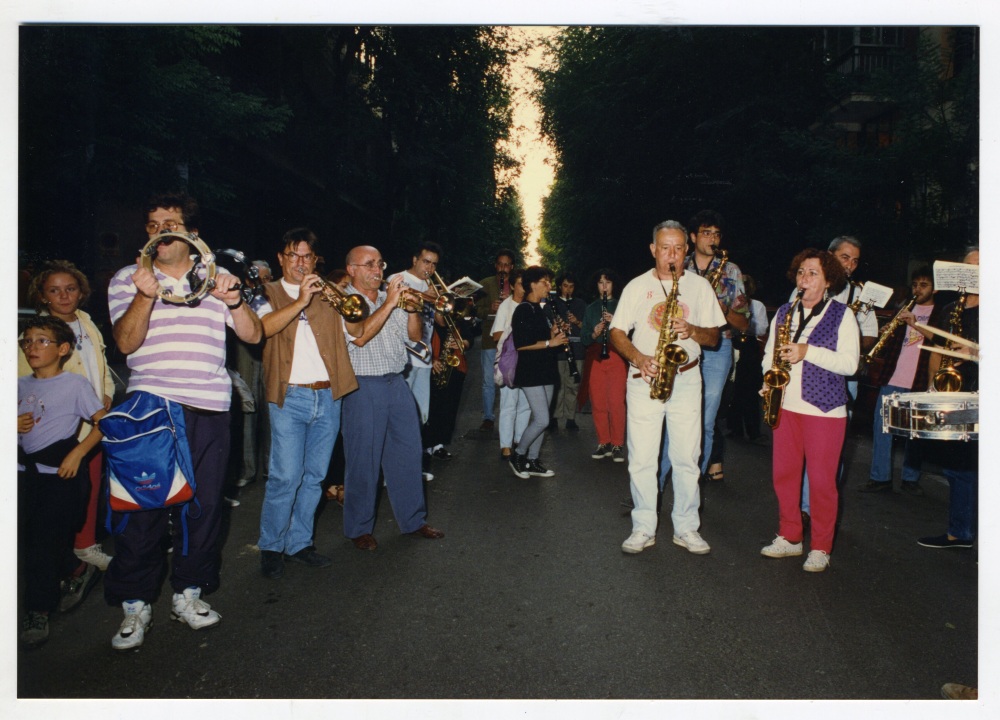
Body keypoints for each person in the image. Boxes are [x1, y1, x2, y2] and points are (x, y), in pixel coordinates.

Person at [104, 191, 263, 650]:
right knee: (142, 507)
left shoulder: (217, 277)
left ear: (191, 233)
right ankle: (135, 602)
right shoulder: (127, 279)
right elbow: (126, 344)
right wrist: (143, 294)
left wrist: (233, 300)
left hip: (209, 407)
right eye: (153, 225)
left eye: (169, 223)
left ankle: (188, 594)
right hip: (150, 408)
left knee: (205, 506)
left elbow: (253, 335)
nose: (160, 232)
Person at [610, 220, 725, 555]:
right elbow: (617, 332)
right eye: (665, 248)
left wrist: (692, 330)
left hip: (687, 378)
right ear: (653, 249)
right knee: (642, 457)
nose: (672, 255)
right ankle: (643, 527)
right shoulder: (635, 286)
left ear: (686, 250)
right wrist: (638, 357)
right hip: (644, 377)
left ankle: (686, 527)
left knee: (687, 456)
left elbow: (714, 337)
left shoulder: (700, 288)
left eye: (678, 248)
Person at [254, 228, 358, 580]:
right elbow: (261, 329)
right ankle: (271, 545)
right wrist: (299, 301)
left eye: (307, 257)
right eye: (293, 255)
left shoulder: (328, 293)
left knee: (315, 477)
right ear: (281, 259)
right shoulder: (266, 292)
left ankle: (299, 543)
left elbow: (356, 330)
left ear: (315, 261)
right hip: (290, 395)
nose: (300, 263)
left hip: (328, 395)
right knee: (285, 476)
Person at [20, 261, 116, 599]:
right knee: (58, 504)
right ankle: (69, 560)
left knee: (87, 491)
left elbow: (101, 369)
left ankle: (84, 547)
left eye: (71, 288)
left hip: (92, 422)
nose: (64, 295)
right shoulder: (34, 338)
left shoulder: (87, 324)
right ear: (43, 297)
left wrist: (104, 395)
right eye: (54, 290)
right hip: (57, 433)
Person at [759, 248, 858, 572]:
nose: (805, 279)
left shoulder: (843, 315)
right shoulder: (785, 312)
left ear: (829, 280)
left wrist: (806, 351)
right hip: (786, 405)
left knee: (821, 482)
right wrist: (767, 382)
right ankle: (790, 537)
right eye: (801, 272)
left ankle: (821, 546)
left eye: (813, 273)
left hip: (825, 411)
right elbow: (768, 355)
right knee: (784, 475)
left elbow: (849, 364)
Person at [340, 245, 444, 551]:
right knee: (364, 458)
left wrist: (411, 309)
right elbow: (359, 335)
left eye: (380, 264)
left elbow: (413, 337)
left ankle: (413, 520)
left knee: (409, 452)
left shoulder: (390, 297)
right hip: (363, 384)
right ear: (352, 270)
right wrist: (390, 303)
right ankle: (358, 527)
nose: (377, 270)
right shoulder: (344, 298)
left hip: (395, 380)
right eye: (369, 265)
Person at [17, 316, 108, 648]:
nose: (32, 347)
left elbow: (102, 423)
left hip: (62, 474)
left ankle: (37, 610)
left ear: (63, 349)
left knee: (41, 544)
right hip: (26, 475)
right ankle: (77, 569)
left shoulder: (73, 385)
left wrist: (78, 454)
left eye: (42, 341)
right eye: (27, 341)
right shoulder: (19, 384)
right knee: (34, 538)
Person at [659, 210, 749, 484]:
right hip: (683, 344)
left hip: (718, 347)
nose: (712, 238)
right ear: (693, 237)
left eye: (717, 234)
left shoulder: (730, 270)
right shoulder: (679, 264)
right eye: (706, 233)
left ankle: (690, 484)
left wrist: (722, 310)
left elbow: (744, 324)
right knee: (669, 417)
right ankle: (657, 483)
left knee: (705, 421)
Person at [799, 235, 878, 522]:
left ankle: (813, 508)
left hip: (843, 377)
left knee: (830, 450)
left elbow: (870, 334)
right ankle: (805, 505)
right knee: (803, 446)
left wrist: (849, 338)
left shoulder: (861, 294)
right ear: (829, 255)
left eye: (855, 260)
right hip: (806, 374)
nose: (851, 265)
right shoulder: (809, 282)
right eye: (845, 257)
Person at [858, 266, 941, 495]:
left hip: (920, 380)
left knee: (915, 433)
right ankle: (880, 478)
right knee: (881, 428)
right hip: (893, 376)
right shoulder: (904, 308)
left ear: (934, 288)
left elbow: (942, 341)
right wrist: (889, 330)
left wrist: (916, 324)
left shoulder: (940, 312)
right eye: (915, 285)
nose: (918, 289)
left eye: (923, 285)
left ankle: (910, 479)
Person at [916, 246, 978, 550]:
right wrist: (932, 389)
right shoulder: (949, 308)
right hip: (955, 395)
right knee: (958, 466)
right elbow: (936, 352)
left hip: (983, 395)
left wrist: (976, 352)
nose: (974, 272)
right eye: (969, 266)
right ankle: (959, 532)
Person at [507, 266, 567, 478]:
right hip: (531, 371)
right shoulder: (523, 309)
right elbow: (521, 344)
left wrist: (553, 333)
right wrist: (552, 342)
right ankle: (518, 455)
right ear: (532, 284)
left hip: (545, 370)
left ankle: (532, 460)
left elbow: (542, 337)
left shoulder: (539, 309)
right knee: (542, 419)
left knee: (543, 418)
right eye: (545, 282)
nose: (549, 286)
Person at [389, 242, 442, 427]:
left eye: (434, 264)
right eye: (426, 262)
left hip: (424, 357)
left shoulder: (431, 285)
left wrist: (442, 303)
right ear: (414, 260)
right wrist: (423, 296)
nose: (430, 268)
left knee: (421, 413)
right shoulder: (397, 278)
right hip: (406, 356)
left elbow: (440, 321)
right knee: (401, 411)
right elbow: (394, 313)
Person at [579, 268, 627, 462]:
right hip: (596, 358)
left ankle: (617, 444)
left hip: (616, 357)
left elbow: (632, 333)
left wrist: (615, 323)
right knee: (598, 403)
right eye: (600, 282)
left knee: (616, 402)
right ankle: (603, 442)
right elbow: (584, 339)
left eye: (608, 282)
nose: (604, 286)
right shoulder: (591, 309)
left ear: (613, 284)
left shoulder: (622, 305)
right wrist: (594, 333)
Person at [492, 269, 531, 462]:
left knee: (525, 404)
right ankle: (505, 445)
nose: (524, 289)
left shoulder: (531, 306)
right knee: (509, 404)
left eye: (526, 285)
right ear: (513, 286)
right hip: (510, 360)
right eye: (521, 284)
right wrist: (514, 330)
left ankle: (519, 442)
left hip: (527, 360)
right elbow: (496, 335)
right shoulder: (506, 306)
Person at [475, 249, 515, 432]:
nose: (503, 268)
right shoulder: (484, 284)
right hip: (490, 339)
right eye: (500, 264)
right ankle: (488, 417)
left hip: (511, 341)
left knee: (509, 378)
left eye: (507, 265)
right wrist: (490, 309)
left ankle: (509, 415)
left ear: (512, 267)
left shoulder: (517, 286)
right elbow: (476, 311)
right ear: (495, 265)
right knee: (488, 380)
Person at [727, 274, 769, 442]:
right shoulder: (731, 305)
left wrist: (744, 326)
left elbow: (762, 329)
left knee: (750, 391)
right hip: (732, 343)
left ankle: (753, 432)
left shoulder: (757, 305)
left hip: (749, 347)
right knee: (734, 390)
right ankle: (735, 429)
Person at [549, 272, 586, 431]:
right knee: (558, 385)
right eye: (565, 286)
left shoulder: (580, 304)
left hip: (576, 350)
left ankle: (570, 418)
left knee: (573, 385)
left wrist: (576, 322)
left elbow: (587, 328)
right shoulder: (552, 303)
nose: (568, 289)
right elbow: (547, 325)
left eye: (571, 286)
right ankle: (555, 417)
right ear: (559, 286)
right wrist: (559, 326)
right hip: (558, 350)